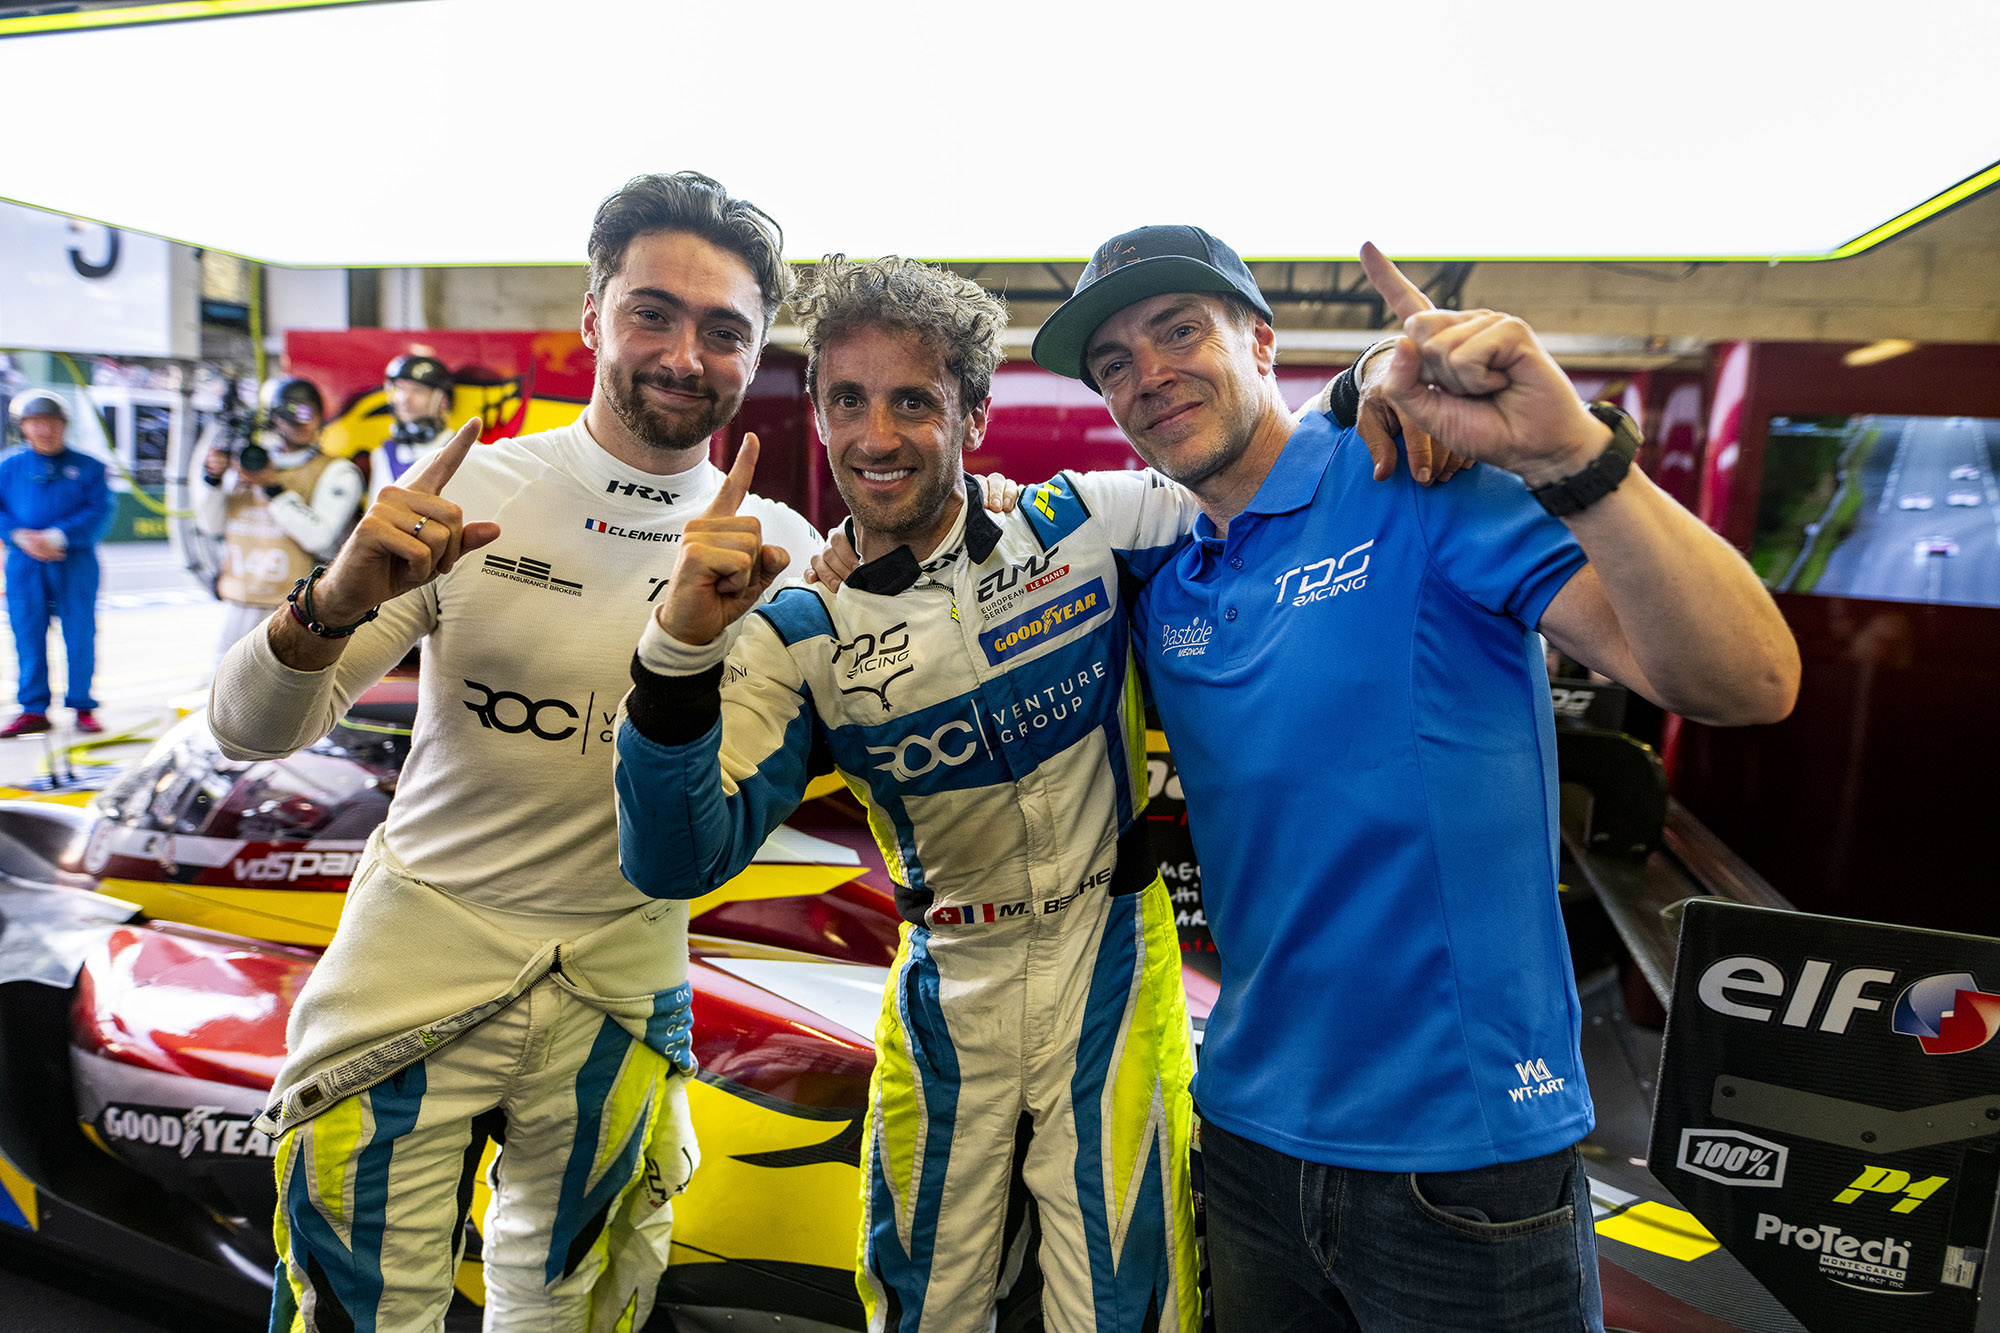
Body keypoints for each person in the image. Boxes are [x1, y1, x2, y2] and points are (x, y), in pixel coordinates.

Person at [1027, 226, 1801, 1332]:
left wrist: (1571, 454)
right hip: (1244, 1143)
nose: (1146, 374)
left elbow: (1748, 681)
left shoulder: (1418, 479)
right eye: (1112, 362)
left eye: (1178, 330)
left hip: (1460, 1162)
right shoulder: (1166, 571)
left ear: (1260, 340)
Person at [208, 171, 821, 1332]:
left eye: (722, 330)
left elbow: (700, 832)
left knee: (576, 1313)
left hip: (617, 1003)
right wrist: (330, 599)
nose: (683, 355)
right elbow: (248, 730)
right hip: (405, 986)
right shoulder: (469, 492)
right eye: (651, 312)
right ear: (593, 316)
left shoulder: (776, 550)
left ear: (753, 353)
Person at [614, 256, 1204, 1333]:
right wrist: (677, 653)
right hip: (950, 979)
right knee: (924, 1304)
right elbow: (672, 859)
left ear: (972, 415)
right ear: (820, 415)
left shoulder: (1084, 523)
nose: (876, 436)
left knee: (1129, 1305)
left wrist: (1382, 398)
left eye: (913, 402)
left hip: (1111, 956)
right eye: (848, 401)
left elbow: (1264, 484)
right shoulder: (799, 628)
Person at [194, 375, 366, 662]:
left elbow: (319, 538)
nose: (303, 423)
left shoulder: (337, 471)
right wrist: (213, 480)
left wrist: (273, 488)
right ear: (274, 419)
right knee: (223, 680)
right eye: (292, 415)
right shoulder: (246, 463)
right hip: (239, 601)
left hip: (295, 608)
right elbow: (210, 525)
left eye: (310, 413)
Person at [0, 390, 112, 737]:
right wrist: (19, 536)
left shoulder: (90, 467)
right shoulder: (8, 466)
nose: (45, 430)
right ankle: (33, 708)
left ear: (64, 425)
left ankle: (82, 705)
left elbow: (100, 511)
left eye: (52, 423)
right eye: (36, 423)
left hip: (73, 561)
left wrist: (57, 536)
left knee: (79, 634)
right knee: (27, 633)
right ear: (24, 427)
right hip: (24, 564)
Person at [369, 352, 458, 503]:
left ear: (442, 401)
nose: (405, 399)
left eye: (417, 390)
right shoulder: (383, 454)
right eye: (400, 389)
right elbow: (373, 511)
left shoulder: (464, 450)